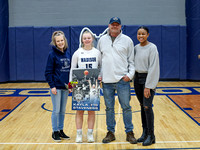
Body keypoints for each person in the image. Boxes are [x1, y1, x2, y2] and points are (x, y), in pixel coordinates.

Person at [97, 17, 137, 144]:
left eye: (117, 24)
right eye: (112, 24)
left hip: (122, 80)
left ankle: (129, 132)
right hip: (107, 81)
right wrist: (100, 75)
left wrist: (129, 76)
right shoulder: (102, 40)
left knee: (126, 107)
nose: (114, 26)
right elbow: (99, 61)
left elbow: (132, 61)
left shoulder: (127, 41)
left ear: (120, 26)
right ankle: (110, 132)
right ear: (108, 25)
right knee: (109, 108)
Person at [69, 30, 101, 143]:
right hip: (79, 84)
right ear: (82, 40)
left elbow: (100, 67)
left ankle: (90, 134)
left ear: (92, 39)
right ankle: (79, 134)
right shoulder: (77, 53)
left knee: (91, 111)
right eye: (85, 38)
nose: (87, 40)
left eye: (89, 38)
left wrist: (100, 77)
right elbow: (72, 69)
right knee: (79, 111)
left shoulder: (97, 52)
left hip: (93, 84)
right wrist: (71, 84)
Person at [134, 26, 160, 146]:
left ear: (148, 35)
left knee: (147, 107)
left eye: (143, 34)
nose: (141, 36)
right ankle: (144, 132)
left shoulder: (152, 48)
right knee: (142, 105)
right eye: (139, 34)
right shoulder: (135, 48)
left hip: (147, 79)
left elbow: (153, 68)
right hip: (137, 78)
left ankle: (151, 135)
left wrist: (148, 86)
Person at [45, 31, 71, 142]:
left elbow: (71, 71)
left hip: (65, 87)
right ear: (55, 43)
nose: (60, 43)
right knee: (56, 110)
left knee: (62, 110)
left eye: (62, 40)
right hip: (56, 87)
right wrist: (52, 86)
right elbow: (48, 72)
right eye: (58, 41)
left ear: (64, 41)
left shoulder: (68, 53)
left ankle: (61, 130)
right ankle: (54, 131)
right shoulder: (52, 54)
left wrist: (71, 85)